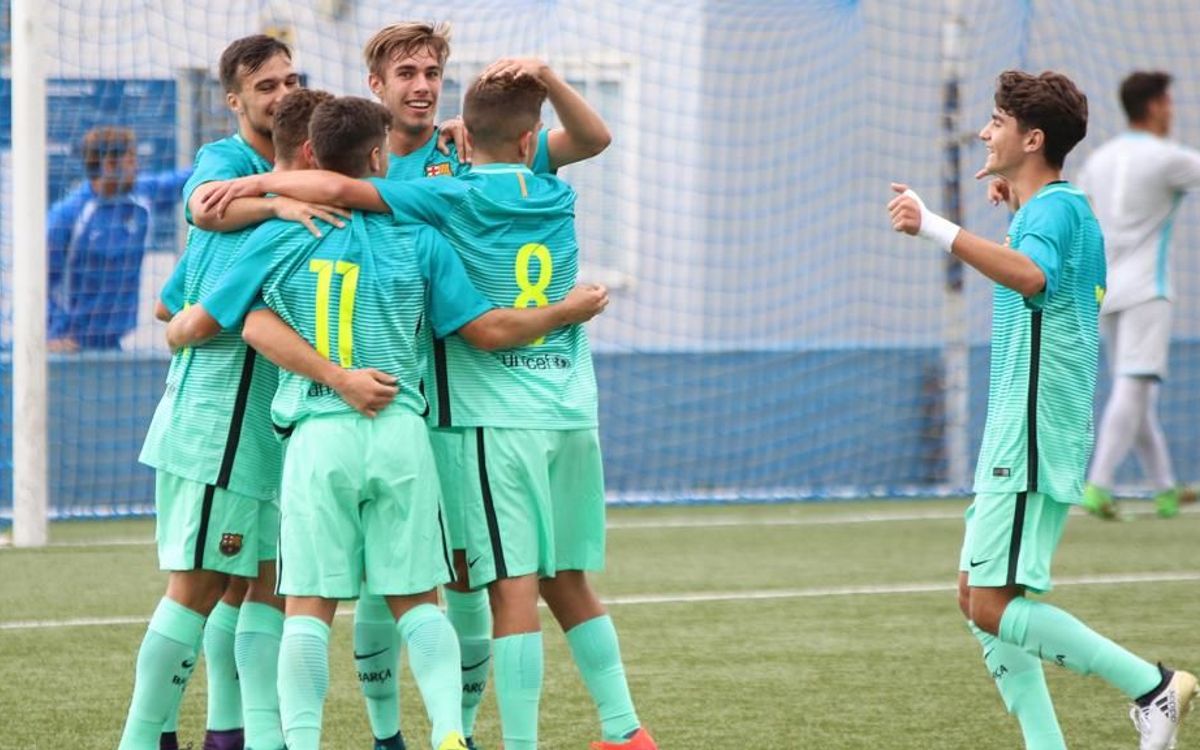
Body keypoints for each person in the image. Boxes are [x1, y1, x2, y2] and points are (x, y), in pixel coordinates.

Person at [195, 69, 650, 750]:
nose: (424, 85)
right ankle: (479, 731)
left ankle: (305, 737)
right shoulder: (535, 199)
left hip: (375, 424)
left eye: (432, 73)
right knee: (437, 598)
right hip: (483, 416)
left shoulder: (419, 204)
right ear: (530, 141)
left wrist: (258, 191)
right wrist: (569, 307)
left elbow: (227, 317)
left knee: (315, 606)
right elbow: (593, 139)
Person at [888, 70, 1196, 750]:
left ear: (1032, 139)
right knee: (975, 597)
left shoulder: (1055, 210)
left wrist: (935, 226)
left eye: (997, 122)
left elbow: (1032, 278)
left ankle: (1152, 686)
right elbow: (1043, 280)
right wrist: (1014, 205)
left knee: (992, 605)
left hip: (1031, 432)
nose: (983, 132)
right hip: (1021, 428)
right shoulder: (1053, 209)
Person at [355, 22, 612, 750]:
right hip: (393, 389)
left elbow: (590, 140)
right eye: (406, 73)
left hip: (467, 405)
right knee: (387, 576)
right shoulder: (368, 163)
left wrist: (545, 76)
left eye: (432, 72)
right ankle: (386, 735)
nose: (422, 86)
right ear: (376, 86)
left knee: (470, 577)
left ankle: (458, 732)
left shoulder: (473, 152)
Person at [118, 35, 339, 750]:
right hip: (222, 423)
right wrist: (275, 205)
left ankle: (229, 733)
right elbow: (203, 215)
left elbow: (169, 302)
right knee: (204, 585)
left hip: (269, 427)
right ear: (235, 100)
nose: (281, 94)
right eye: (266, 85)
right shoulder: (225, 166)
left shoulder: (299, 190)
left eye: (290, 82)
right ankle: (144, 738)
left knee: (259, 582)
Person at [1076, 71, 1200, 520]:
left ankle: (1164, 489)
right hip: (1149, 288)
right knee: (1133, 385)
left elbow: (1082, 216)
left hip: (1106, 289)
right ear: (1153, 106)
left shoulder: (1099, 160)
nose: (1172, 110)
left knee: (1136, 393)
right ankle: (1099, 484)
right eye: (1168, 102)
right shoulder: (1168, 158)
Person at [46, 126, 190, 351]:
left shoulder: (142, 194)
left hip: (112, 343)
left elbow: (182, 179)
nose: (137, 167)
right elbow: (40, 281)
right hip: (69, 345)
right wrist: (52, 334)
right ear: (109, 165)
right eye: (131, 159)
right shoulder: (68, 216)